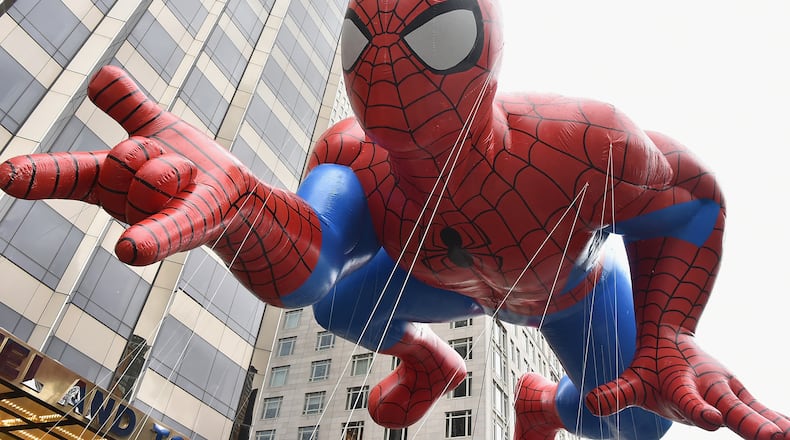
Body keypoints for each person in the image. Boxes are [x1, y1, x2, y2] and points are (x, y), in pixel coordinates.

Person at [1, 0, 787, 438]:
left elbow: (691, 201)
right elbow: (305, 263)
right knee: (339, 300)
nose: (386, 62)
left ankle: (543, 404)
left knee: (636, 425)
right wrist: (238, 208)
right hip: (441, 280)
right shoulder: (351, 156)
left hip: (566, 294)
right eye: (364, 36)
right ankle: (426, 363)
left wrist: (664, 334)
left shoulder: (583, 139)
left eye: (423, 35)